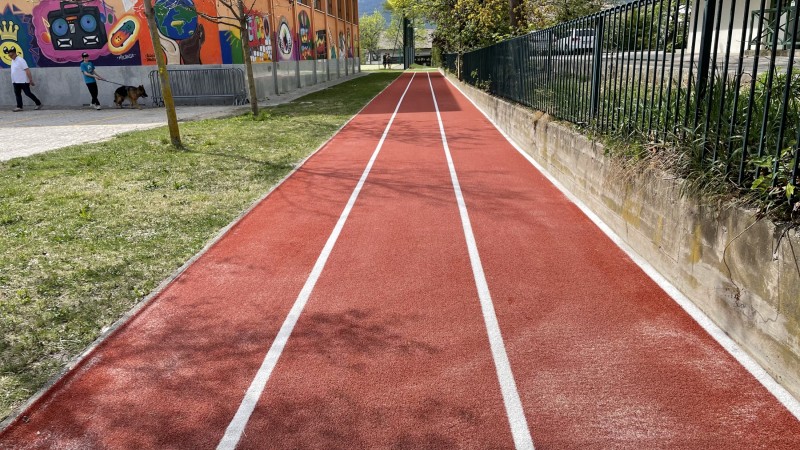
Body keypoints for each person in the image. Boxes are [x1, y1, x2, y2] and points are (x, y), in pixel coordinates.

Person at [7, 48, 42, 112]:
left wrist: (30, 80)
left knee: (28, 93)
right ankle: (19, 106)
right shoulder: (12, 61)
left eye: (11, 55)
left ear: (15, 54)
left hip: (23, 81)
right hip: (15, 81)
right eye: (9, 55)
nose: (10, 57)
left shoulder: (21, 60)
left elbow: (27, 70)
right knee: (17, 94)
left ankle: (38, 103)